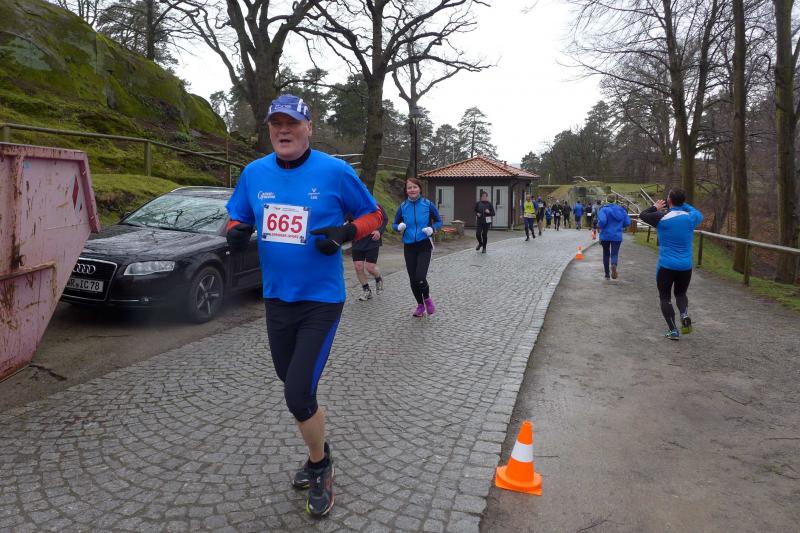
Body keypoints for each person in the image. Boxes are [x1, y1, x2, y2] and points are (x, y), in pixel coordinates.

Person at [225, 94, 384, 517]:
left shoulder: (335, 171)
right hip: (277, 298)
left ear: (308, 127)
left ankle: (320, 465)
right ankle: (319, 449)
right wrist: (236, 231)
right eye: (276, 123)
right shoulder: (254, 173)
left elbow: (374, 215)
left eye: (292, 123)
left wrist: (345, 232)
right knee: (292, 382)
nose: (283, 130)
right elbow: (237, 217)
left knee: (297, 393)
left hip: (321, 301)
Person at [639, 188, 704, 340]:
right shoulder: (691, 218)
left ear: (668, 201)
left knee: (665, 298)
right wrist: (682, 204)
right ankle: (684, 314)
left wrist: (655, 207)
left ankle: (673, 330)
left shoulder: (661, 217)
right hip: (685, 266)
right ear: (683, 201)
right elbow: (697, 212)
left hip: (666, 266)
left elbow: (643, 215)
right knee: (681, 294)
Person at [393, 177, 443, 316]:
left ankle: (427, 299)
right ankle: (420, 305)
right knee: (412, 279)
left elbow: (438, 221)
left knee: (420, 277)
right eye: (409, 188)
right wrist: (398, 227)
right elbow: (394, 224)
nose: (412, 190)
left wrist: (432, 229)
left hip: (424, 244)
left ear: (420, 189)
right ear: (406, 190)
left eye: (415, 187)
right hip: (409, 246)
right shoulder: (403, 206)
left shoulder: (428, 204)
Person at [350, 204, 388, 301]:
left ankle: (378, 278)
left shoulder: (373, 204)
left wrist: (379, 231)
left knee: (370, 268)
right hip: (357, 240)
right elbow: (346, 219)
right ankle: (366, 290)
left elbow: (384, 219)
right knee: (358, 267)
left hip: (372, 240)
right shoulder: (352, 204)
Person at [597, 195, 631, 280]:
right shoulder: (621, 210)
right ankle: (613, 264)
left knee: (606, 253)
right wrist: (620, 226)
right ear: (615, 201)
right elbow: (627, 222)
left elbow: (602, 221)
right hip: (617, 236)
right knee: (614, 254)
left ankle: (607, 274)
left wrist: (600, 225)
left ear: (606, 201)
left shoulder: (603, 209)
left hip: (605, 235)